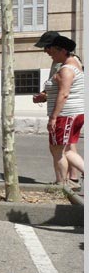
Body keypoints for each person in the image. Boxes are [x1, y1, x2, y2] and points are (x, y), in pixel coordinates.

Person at [32, 31, 83, 185]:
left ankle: (62, 183)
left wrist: (53, 117)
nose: (48, 53)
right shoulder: (70, 64)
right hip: (72, 113)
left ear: (62, 50)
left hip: (66, 114)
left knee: (60, 150)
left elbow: (64, 94)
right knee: (64, 148)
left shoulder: (67, 68)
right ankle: (65, 181)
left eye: (51, 50)